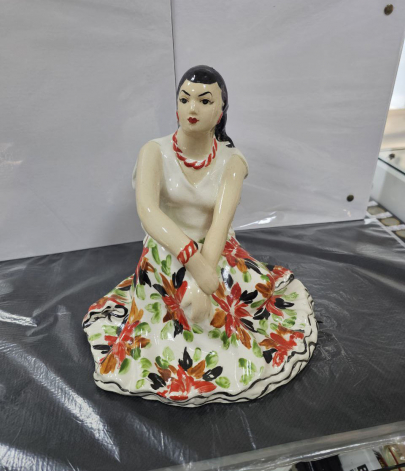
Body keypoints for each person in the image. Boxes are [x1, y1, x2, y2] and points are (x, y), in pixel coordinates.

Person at [83, 65, 318, 406]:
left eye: (205, 101)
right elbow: (149, 212)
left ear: (220, 112)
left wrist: (205, 279)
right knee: (175, 305)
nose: (192, 108)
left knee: (230, 305)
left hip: (216, 251)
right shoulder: (153, 152)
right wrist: (195, 267)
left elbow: (220, 223)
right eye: (185, 99)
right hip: (167, 249)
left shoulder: (232, 161)